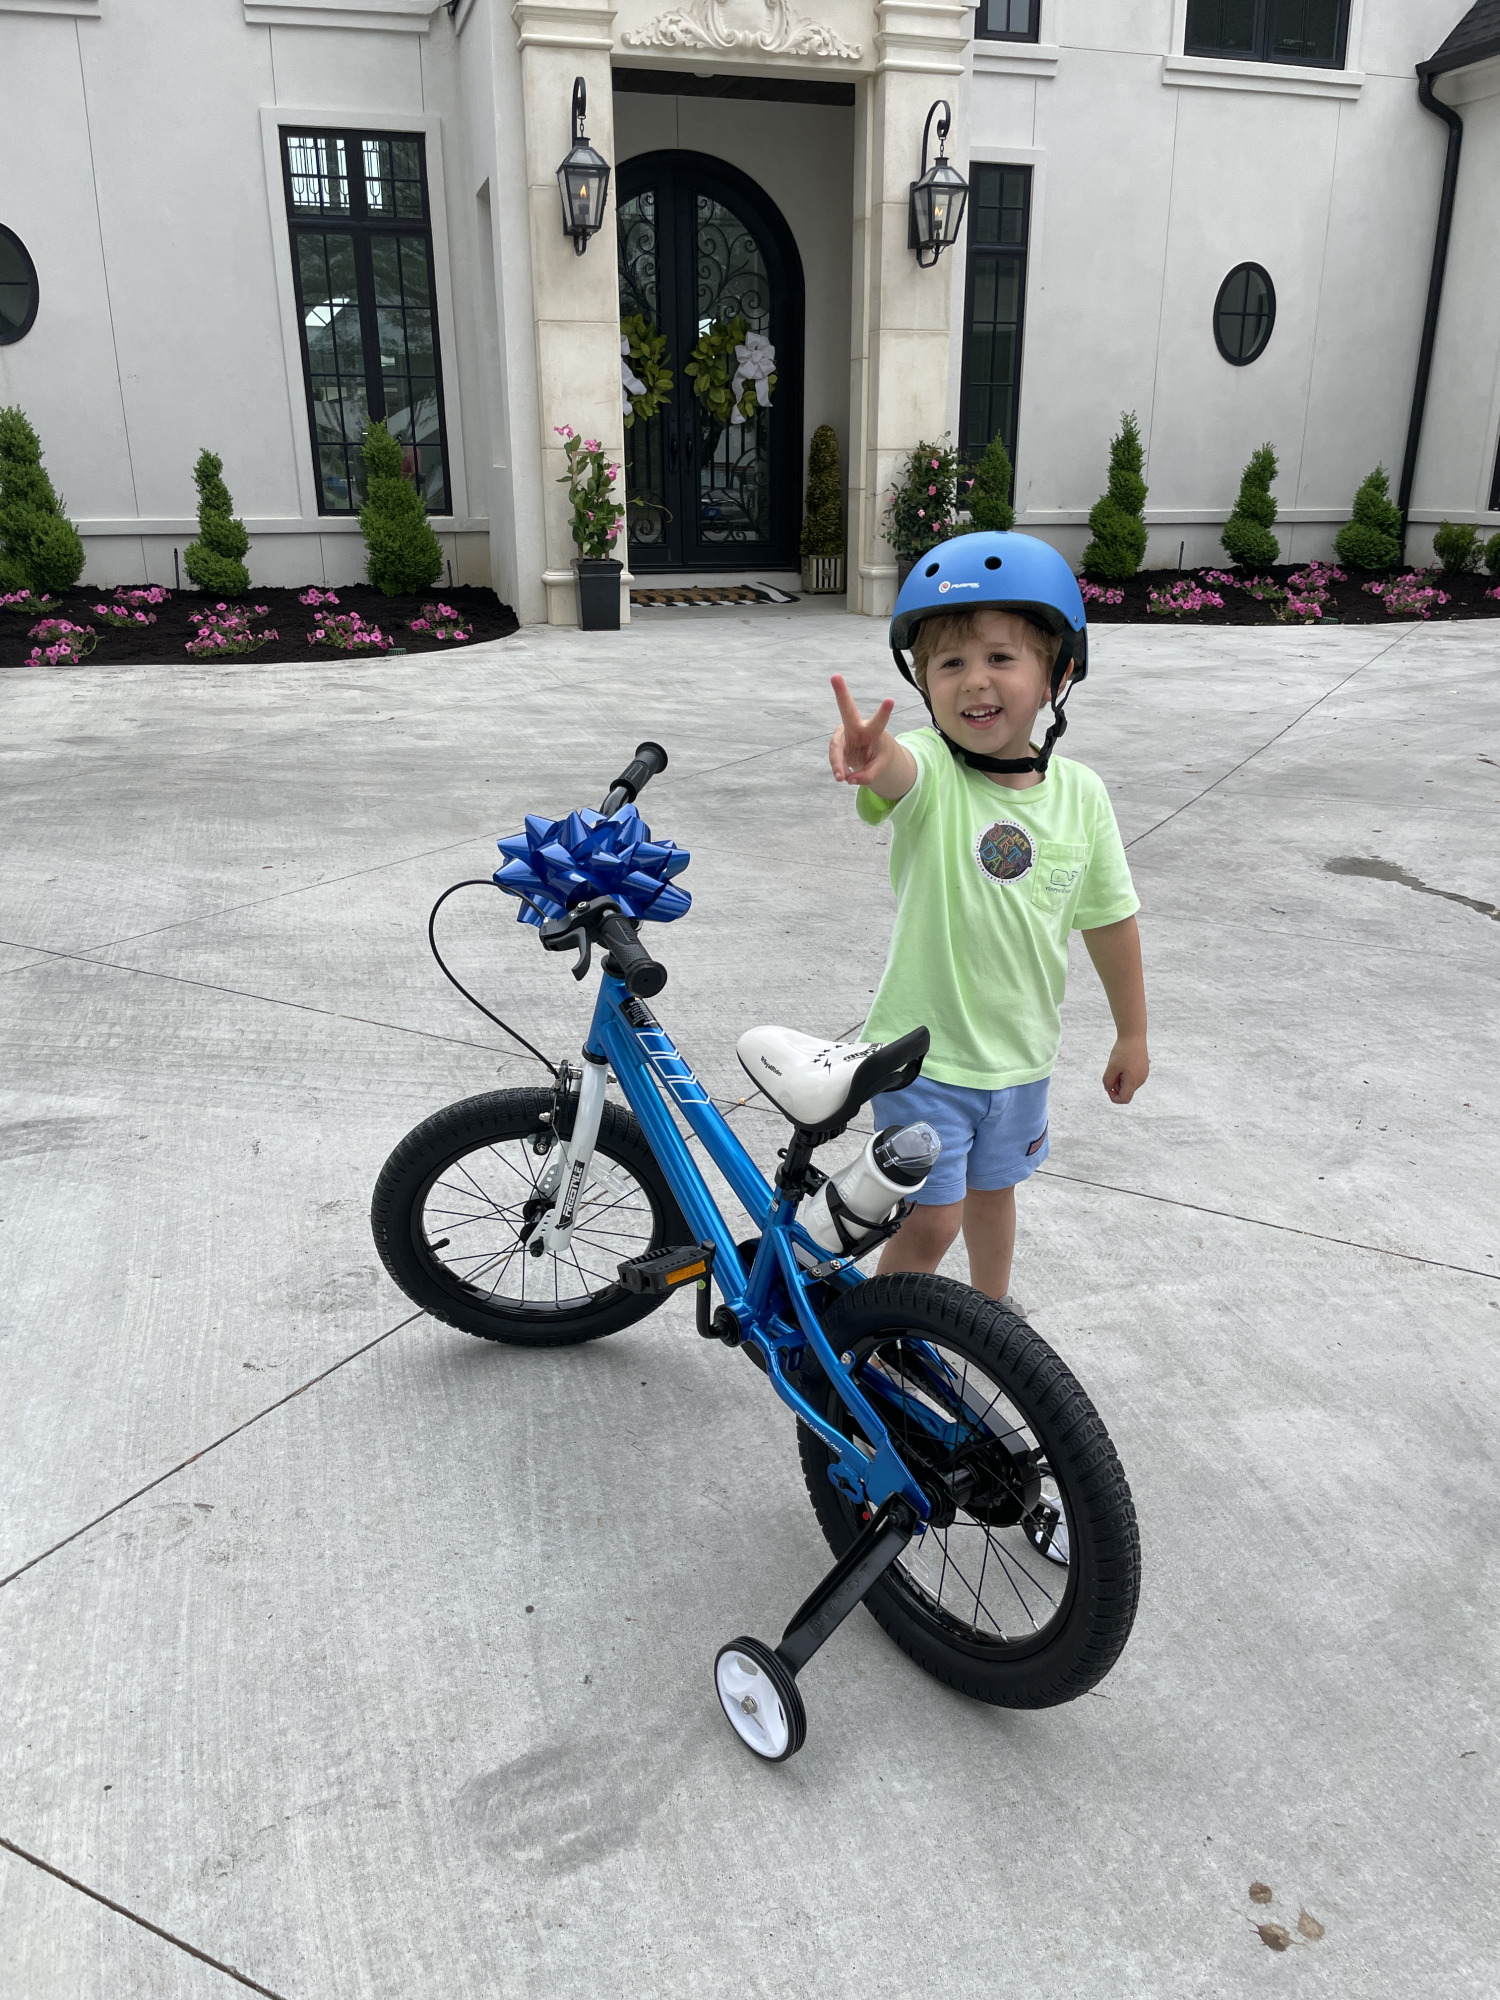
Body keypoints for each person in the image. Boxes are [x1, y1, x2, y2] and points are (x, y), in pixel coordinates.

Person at [828, 530, 1149, 1313]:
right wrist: (869, 755)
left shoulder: (1082, 795)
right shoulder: (933, 771)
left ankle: (989, 1332)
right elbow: (896, 772)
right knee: (933, 1218)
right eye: (950, 663)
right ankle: (884, 1333)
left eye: (1001, 658)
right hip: (926, 1061)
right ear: (925, 683)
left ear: (1057, 674)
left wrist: (1132, 1032)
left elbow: (1109, 920)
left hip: (1022, 1060)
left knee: (994, 1199)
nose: (976, 681)